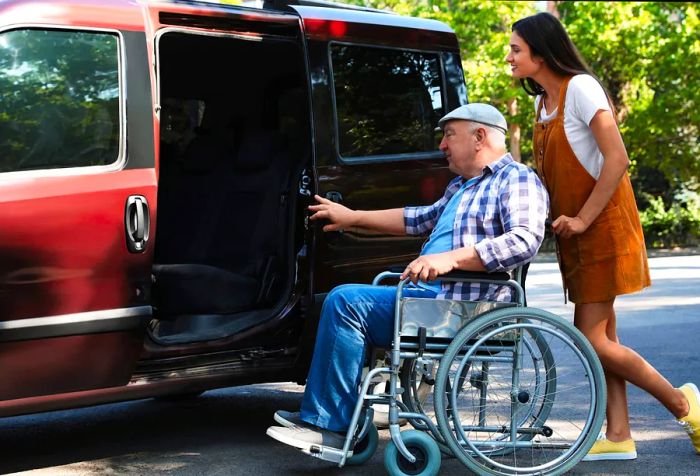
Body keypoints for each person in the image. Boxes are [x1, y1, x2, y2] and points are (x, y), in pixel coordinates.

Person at [266, 103, 549, 455]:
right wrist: (352, 218)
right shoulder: (462, 186)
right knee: (325, 302)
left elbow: (523, 240)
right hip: (430, 300)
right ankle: (335, 416)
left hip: (461, 307)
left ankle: (330, 428)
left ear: (480, 137)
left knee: (346, 303)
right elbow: (418, 218)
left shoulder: (517, 179)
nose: (442, 145)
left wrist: (448, 259)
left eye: (449, 136)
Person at [507, 12, 700, 461]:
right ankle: (618, 434)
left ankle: (684, 404)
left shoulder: (582, 89)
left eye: (516, 49)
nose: (509, 57)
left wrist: (581, 220)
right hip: (576, 233)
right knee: (606, 338)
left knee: (592, 339)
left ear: (540, 50)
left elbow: (617, 160)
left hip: (602, 229)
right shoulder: (542, 105)